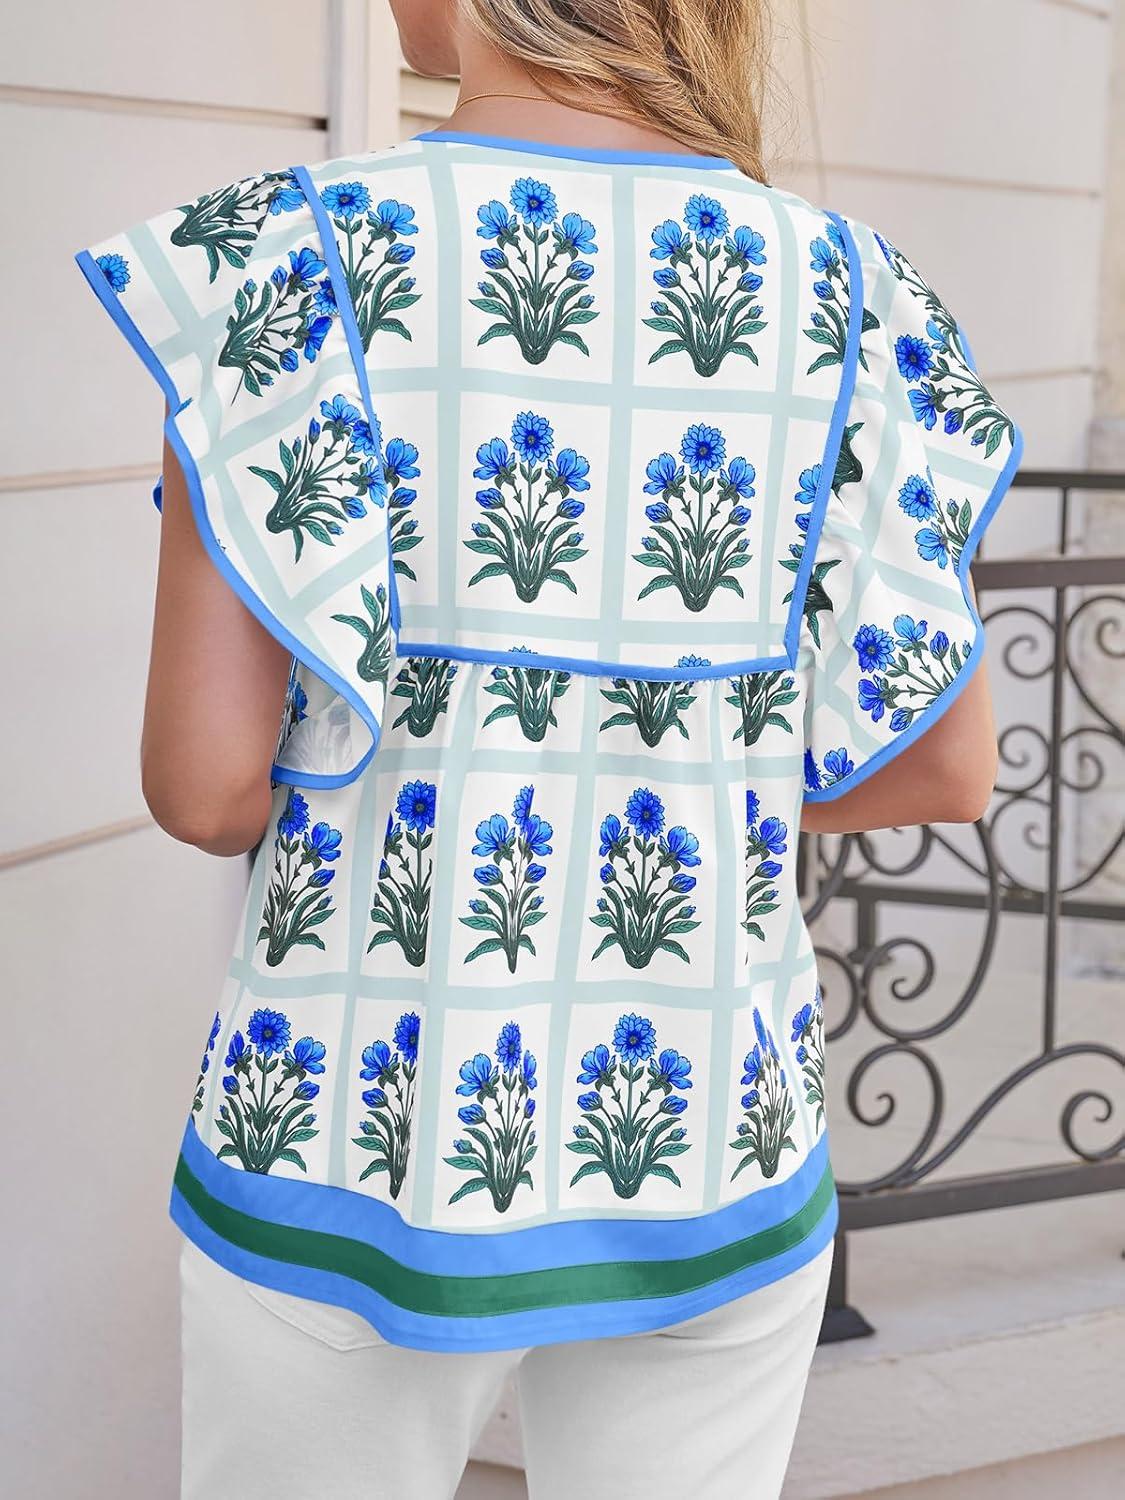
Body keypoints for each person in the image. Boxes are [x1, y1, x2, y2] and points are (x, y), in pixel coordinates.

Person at [76, 1, 1023, 1495]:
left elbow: (203, 790)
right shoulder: (854, 293)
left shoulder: (293, 262)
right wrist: (673, 779)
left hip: (348, 1127)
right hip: (711, 1124)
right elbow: (943, 769)